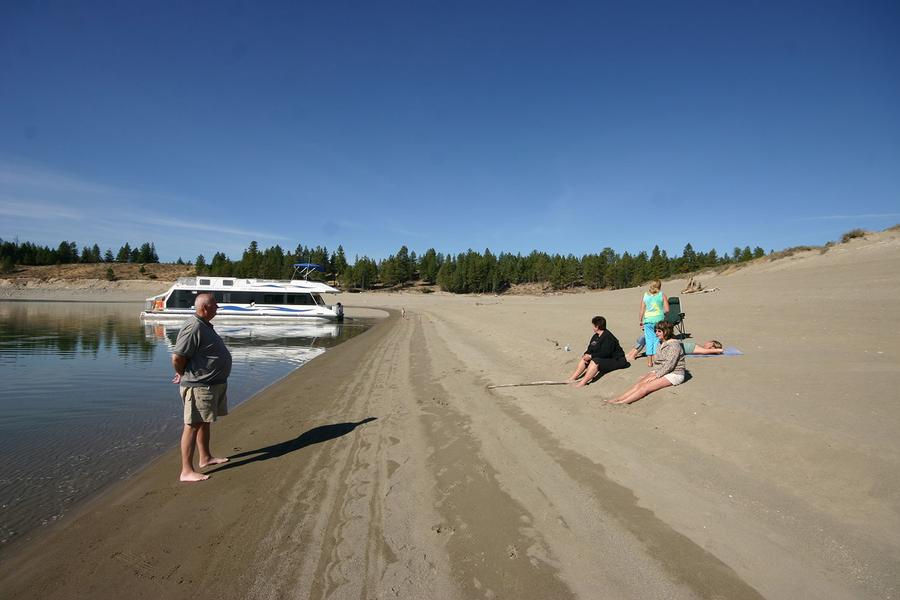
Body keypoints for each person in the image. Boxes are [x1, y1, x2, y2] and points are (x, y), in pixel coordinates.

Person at [172, 293, 232, 482]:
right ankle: (186, 471)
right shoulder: (193, 326)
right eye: (215, 306)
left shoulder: (204, 325)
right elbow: (177, 356)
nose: (217, 309)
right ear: (204, 308)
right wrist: (181, 372)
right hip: (199, 385)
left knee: (204, 422)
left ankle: (205, 458)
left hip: (210, 384)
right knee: (192, 425)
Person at [610, 321, 685, 404]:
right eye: (656, 331)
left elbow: (670, 365)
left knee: (645, 387)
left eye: (659, 331)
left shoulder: (674, 345)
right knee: (640, 383)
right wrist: (652, 373)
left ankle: (623, 402)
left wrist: (656, 376)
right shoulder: (661, 342)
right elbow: (660, 362)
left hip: (675, 373)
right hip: (662, 370)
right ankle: (619, 398)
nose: (656, 333)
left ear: (666, 331)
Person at [566, 316, 629, 388]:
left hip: (617, 360)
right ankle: (572, 378)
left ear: (597, 326)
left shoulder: (608, 337)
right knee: (584, 359)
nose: (592, 327)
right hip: (604, 357)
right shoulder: (596, 336)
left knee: (595, 361)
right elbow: (590, 348)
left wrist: (591, 356)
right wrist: (586, 355)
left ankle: (583, 383)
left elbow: (606, 353)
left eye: (593, 325)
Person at [638, 279, 669, 366]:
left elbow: (642, 310)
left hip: (647, 320)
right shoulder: (662, 295)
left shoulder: (645, 295)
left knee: (649, 340)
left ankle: (649, 362)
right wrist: (661, 313)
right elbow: (667, 309)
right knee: (657, 340)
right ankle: (656, 360)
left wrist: (640, 321)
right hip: (658, 320)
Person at [625, 337, 724, 360]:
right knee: (646, 336)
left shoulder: (700, 349)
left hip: (670, 347)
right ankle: (631, 354)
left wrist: (718, 350)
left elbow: (715, 351)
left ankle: (632, 355)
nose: (707, 342)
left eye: (710, 342)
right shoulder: (699, 347)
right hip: (671, 344)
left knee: (647, 337)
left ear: (711, 345)